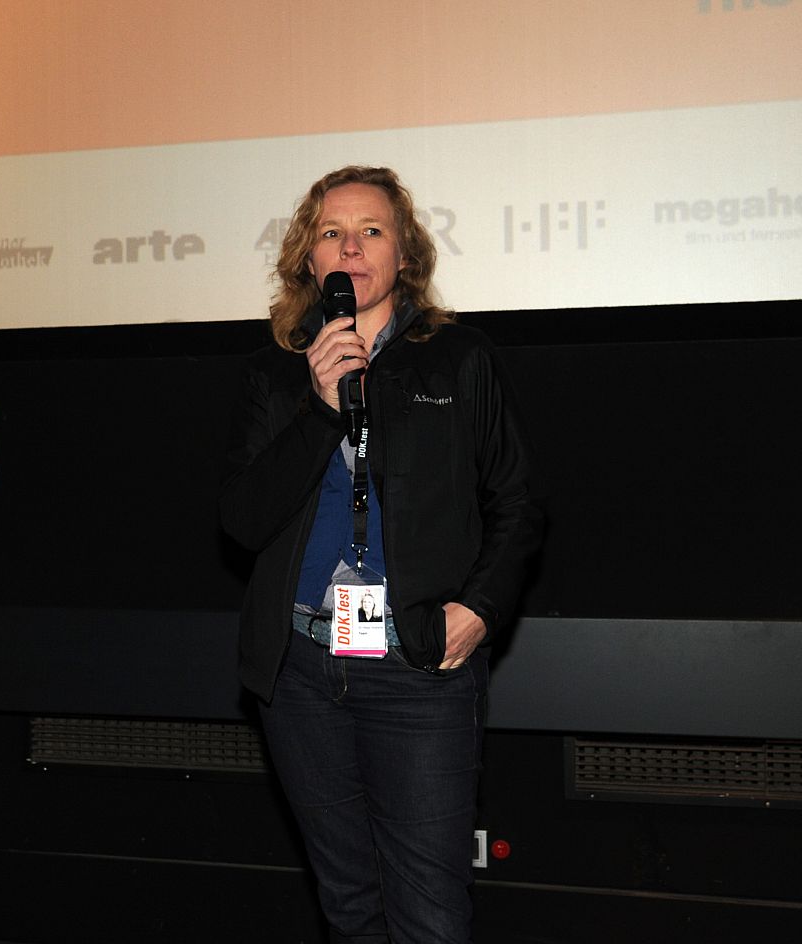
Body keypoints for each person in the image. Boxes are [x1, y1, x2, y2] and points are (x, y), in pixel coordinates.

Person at [220, 166, 541, 943]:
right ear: (308, 258)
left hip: (417, 668)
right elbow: (243, 521)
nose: (351, 248)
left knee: (430, 915)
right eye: (331, 233)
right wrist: (318, 407)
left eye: (371, 231)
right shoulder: (275, 372)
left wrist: (481, 609)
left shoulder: (457, 358)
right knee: (349, 903)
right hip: (301, 670)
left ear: (405, 254)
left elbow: (519, 502)